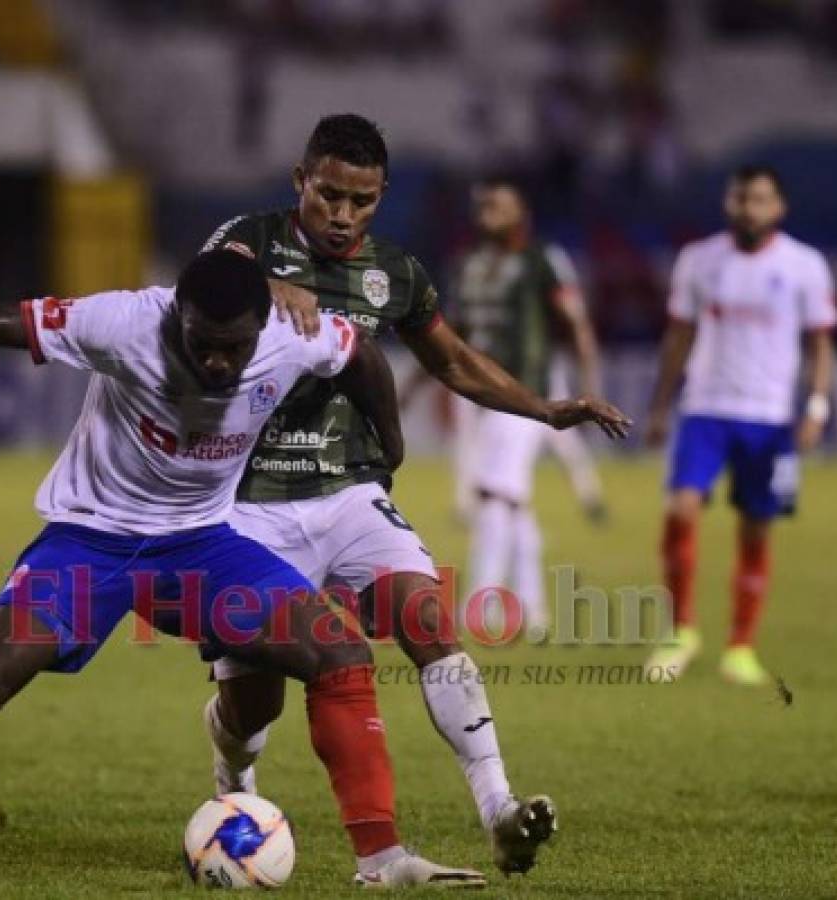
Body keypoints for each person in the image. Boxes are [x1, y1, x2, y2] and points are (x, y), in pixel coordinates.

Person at [0, 250, 484, 888]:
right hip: (90, 543)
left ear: (260, 327)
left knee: (339, 651)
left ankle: (380, 857)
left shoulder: (294, 334)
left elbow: (358, 355)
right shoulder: (124, 321)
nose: (219, 362)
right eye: (202, 344)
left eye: (232, 347)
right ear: (176, 319)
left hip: (202, 548)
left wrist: (387, 441)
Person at [197, 114, 630, 876]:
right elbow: (197, 293)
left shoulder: (394, 273)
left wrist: (545, 408)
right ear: (301, 180)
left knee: (429, 622)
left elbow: (455, 362)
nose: (341, 213)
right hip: (246, 503)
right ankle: (233, 776)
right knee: (252, 707)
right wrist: (264, 284)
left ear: (380, 197)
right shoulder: (249, 238)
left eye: (360, 201)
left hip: (348, 491)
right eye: (328, 193)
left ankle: (497, 808)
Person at [644, 165, 837, 685]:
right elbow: (679, 336)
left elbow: (820, 342)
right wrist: (661, 406)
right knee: (682, 509)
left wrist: (816, 407)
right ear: (728, 203)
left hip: (769, 418)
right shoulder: (700, 259)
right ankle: (681, 630)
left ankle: (741, 646)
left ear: (779, 208)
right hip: (705, 409)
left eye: (758, 200)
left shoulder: (805, 265)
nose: (747, 208)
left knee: (755, 526)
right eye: (739, 198)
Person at [451, 176, 607, 640]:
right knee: (512, 499)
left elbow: (575, 322)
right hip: (480, 394)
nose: (486, 214)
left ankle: (481, 606)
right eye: (483, 206)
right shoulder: (470, 265)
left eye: (498, 206)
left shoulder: (543, 260)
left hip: (523, 394)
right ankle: (534, 607)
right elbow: (452, 333)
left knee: (493, 495)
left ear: (523, 214)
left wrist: (588, 382)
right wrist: (420, 383)